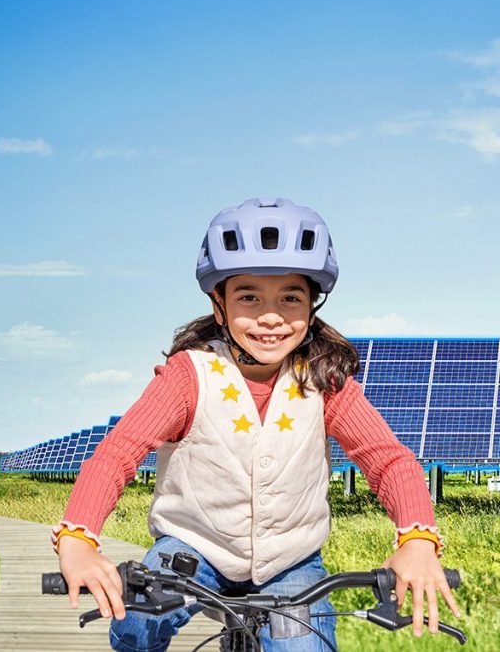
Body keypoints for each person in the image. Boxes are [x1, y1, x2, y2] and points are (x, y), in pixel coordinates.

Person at [53, 198, 460, 651]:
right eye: (249, 297)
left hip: (290, 562)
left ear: (313, 304)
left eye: (291, 297)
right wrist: (78, 539)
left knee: (301, 645)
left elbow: (389, 460)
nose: (271, 316)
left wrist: (418, 539)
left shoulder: (324, 379)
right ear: (219, 305)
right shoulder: (191, 375)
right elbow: (118, 453)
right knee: (136, 624)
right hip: (194, 548)